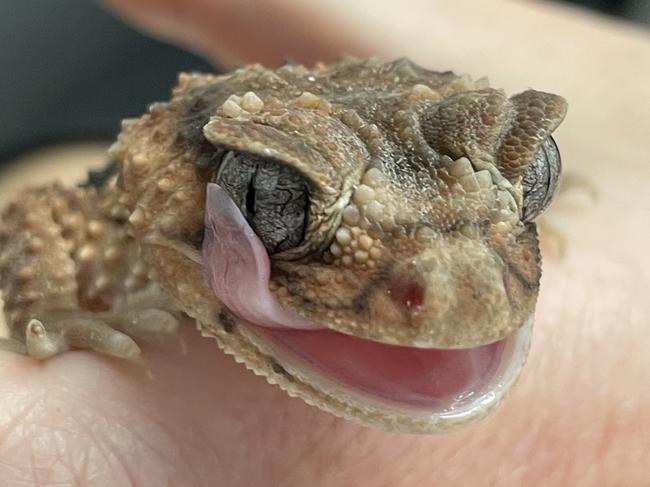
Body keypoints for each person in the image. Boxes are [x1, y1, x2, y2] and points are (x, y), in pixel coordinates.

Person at [1, 0, 649, 484]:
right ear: (158, 175)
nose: (463, 284)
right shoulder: (110, 223)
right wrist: (52, 308)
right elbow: (37, 210)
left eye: (533, 176)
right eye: (276, 201)